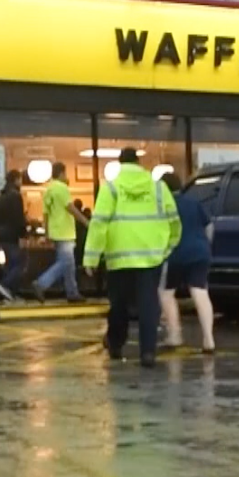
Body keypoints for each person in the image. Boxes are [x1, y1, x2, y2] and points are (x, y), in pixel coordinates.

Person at [83, 149, 182, 367]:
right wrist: (166, 249)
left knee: (119, 304)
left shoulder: (111, 188)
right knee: (148, 304)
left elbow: (99, 223)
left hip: (119, 257)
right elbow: (174, 221)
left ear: (119, 164)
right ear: (139, 162)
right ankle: (148, 352)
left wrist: (91, 258)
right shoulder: (158, 187)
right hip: (150, 257)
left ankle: (116, 344)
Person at [158, 171, 217, 353]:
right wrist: (205, 244)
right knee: (200, 291)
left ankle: (175, 335)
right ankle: (209, 339)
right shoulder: (193, 202)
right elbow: (209, 226)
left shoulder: (163, 205)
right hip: (200, 251)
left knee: (166, 293)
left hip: (175, 253)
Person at [32, 162, 87, 302]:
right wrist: (85, 221)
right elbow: (70, 208)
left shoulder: (48, 190)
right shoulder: (62, 188)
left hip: (55, 231)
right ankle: (41, 283)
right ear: (62, 173)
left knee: (69, 264)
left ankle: (72, 292)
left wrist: (46, 233)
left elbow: (45, 214)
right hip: (65, 231)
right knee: (65, 263)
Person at [0, 170, 27, 301]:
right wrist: (23, 235)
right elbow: (19, 217)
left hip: (2, 234)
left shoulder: (1, 197)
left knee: (10, 265)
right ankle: (4, 285)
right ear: (16, 179)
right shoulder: (15, 196)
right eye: (20, 179)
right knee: (20, 264)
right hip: (12, 234)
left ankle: (10, 295)